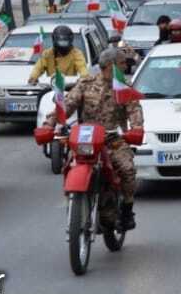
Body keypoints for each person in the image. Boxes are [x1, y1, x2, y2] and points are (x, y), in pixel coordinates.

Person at [43, 48, 143, 230]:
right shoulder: (86, 83)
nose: (125, 66)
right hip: (87, 141)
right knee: (69, 165)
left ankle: (127, 210)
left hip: (113, 139)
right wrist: (49, 124)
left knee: (127, 170)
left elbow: (134, 110)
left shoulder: (124, 86)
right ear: (111, 66)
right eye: (122, 63)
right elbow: (68, 104)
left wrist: (136, 129)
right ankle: (76, 199)